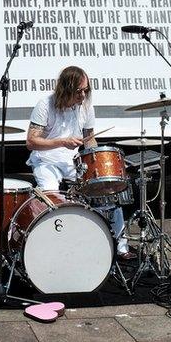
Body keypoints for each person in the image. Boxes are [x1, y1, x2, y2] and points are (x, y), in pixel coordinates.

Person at [26, 66, 131, 258]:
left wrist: (97, 162)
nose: (83, 95)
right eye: (78, 91)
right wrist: (61, 142)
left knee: (107, 190)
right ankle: (51, 244)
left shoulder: (86, 106)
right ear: (65, 89)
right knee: (51, 196)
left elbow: (89, 138)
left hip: (72, 161)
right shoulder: (45, 105)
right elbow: (31, 142)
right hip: (46, 160)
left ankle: (121, 246)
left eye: (86, 90)